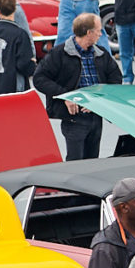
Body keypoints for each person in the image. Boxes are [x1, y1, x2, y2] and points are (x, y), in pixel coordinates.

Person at [33, 13, 110, 160]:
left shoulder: (101, 54)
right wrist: (66, 96)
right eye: (98, 30)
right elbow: (39, 78)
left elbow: (115, 78)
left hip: (96, 116)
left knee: (93, 163)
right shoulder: (59, 54)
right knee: (75, 163)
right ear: (89, 32)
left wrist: (98, 99)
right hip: (74, 118)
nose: (101, 34)